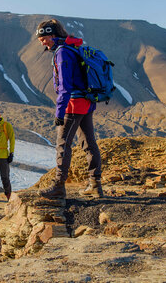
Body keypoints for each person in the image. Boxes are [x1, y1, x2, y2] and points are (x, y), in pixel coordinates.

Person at [35, 19, 103, 199]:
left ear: (52, 34)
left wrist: (59, 113)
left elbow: (65, 87)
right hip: (86, 103)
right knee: (89, 143)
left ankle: (58, 185)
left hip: (73, 105)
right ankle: (95, 185)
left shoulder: (62, 52)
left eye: (43, 38)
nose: (42, 42)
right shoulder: (72, 47)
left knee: (63, 144)